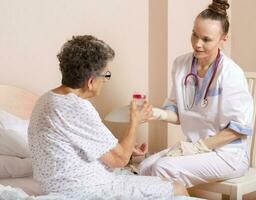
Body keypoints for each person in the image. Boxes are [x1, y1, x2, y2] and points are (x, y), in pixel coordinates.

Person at [28, 35, 188, 199]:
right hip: (87, 189)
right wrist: (135, 122)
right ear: (90, 81)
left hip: (60, 186)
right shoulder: (77, 107)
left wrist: (127, 149)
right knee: (177, 188)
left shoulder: (46, 99)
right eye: (106, 75)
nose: (106, 80)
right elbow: (119, 160)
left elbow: (75, 146)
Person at [139, 0, 253, 190]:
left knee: (162, 167)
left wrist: (198, 147)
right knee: (144, 167)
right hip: (196, 149)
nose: (197, 44)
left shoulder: (231, 74)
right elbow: (178, 112)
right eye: (194, 35)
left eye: (206, 39)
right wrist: (155, 113)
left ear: (223, 39)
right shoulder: (181, 64)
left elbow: (238, 129)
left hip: (227, 155)